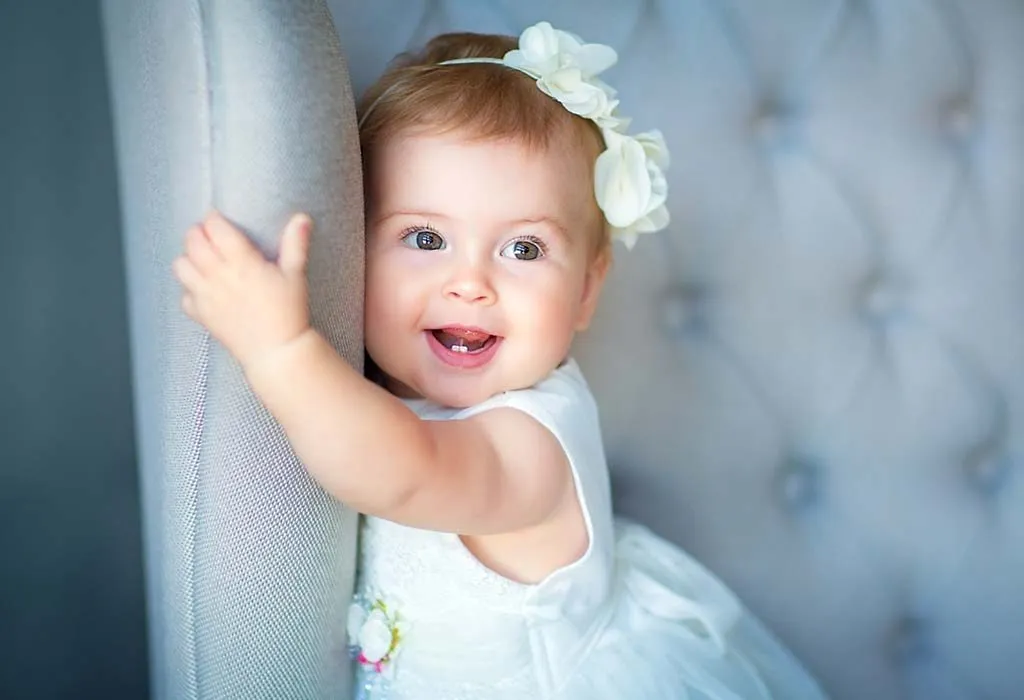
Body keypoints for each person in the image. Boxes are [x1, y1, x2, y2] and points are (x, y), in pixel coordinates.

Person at [172, 20, 828, 700]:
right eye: (425, 237)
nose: (471, 283)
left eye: (523, 249)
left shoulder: (533, 442)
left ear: (585, 290)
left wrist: (280, 350)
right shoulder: (378, 396)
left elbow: (407, 471)